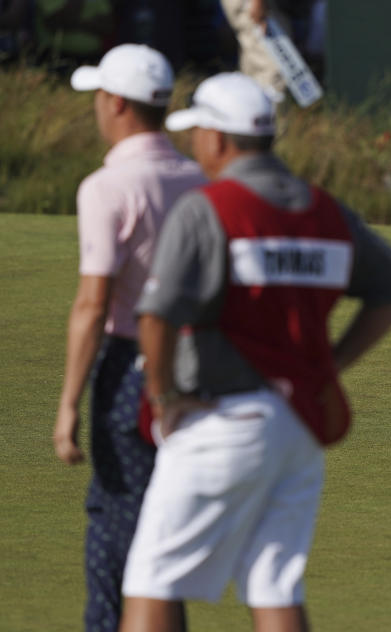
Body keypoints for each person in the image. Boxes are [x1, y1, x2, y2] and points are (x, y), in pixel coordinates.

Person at [118, 72, 391, 632]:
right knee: (274, 580)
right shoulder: (326, 212)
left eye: (199, 131)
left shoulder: (208, 207)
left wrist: (163, 397)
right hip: (298, 425)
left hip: (220, 418)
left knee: (152, 577)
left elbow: (157, 317)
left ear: (219, 140)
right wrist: (328, 366)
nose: (195, 144)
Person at [52, 44, 207, 632]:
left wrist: (67, 406)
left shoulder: (106, 186)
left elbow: (93, 304)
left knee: (116, 538)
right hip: (194, 368)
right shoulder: (197, 178)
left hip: (128, 371)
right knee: (164, 539)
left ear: (115, 102)